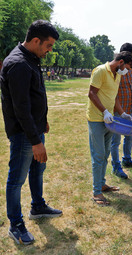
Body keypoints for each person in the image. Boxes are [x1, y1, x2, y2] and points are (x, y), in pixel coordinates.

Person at [0, 20, 62, 245]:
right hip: (24, 135)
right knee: (16, 180)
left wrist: (43, 121)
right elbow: (21, 108)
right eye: (48, 45)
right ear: (36, 41)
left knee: (38, 170)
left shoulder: (31, 59)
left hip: (35, 130)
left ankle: (37, 206)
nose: (49, 50)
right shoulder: (18, 64)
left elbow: (35, 95)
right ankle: (15, 225)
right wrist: (36, 141)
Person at [87, 51, 132, 206]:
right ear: (120, 62)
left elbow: (113, 97)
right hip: (96, 119)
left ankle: (101, 184)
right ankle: (96, 193)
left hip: (110, 120)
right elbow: (91, 93)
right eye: (126, 67)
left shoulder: (117, 74)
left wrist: (122, 113)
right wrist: (104, 111)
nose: (126, 71)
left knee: (106, 153)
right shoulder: (100, 70)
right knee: (98, 155)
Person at [111, 43, 132, 179]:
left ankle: (127, 159)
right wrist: (120, 111)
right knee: (115, 140)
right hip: (117, 111)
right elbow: (113, 94)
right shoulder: (115, 72)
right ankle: (116, 166)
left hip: (129, 109)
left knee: (130, 136)